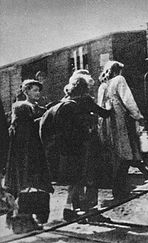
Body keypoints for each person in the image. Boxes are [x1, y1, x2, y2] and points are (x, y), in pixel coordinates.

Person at [41, 71, 111, 222]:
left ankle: (71, 210)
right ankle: (91, 211)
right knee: (91, 178)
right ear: (85, 88)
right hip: (87, 146)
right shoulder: (86, 100)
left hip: (70, 149)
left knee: (76, 180)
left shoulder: (64, 102)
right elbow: (104, 114)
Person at [4, 79, 53, 226]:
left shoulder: (38, 108)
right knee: (26, 183)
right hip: (26, 152)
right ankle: (21, 216)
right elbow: (23, 134)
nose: (37, 93)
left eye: (38, 90)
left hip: (37, 151)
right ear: (26, 91)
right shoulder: (22, 108)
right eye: (34, 90)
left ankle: (28, 215)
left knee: (35, 183)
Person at [98, 60, 146, 200]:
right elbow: (127, 99)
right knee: (124, 152)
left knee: (113, 155)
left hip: (106, 121)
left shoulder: (103, 86)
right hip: (119, 119)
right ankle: (121, 190)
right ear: (117, 71)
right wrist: (137, 115)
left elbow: (100, 105)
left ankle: (116, 189)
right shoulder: (119, 80)